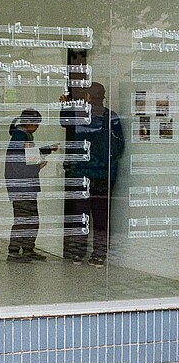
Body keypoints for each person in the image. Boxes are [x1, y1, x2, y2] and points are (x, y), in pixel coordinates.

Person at [60, 82, 124, 267]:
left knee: (80, 214)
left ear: (88, 97)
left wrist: (67, 105)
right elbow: (119, 146)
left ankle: (78, 253)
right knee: (101, 217)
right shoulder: (111, 117)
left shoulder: (80, 115)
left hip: (82, 174)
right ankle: (99, 255)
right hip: (104, 175)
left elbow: (64, 122)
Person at [4, 108, 58, 263]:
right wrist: (37, 167)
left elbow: (30, 155)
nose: (37, 127)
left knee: (31, 219)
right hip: (21, 187)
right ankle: (14, 252)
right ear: (28, 122)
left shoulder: (23, 136)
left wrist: (48, 149)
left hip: (25, 186)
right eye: (36, 124)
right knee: (23, 219)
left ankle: (28, 249)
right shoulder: (19, 138)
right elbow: (19, 165)